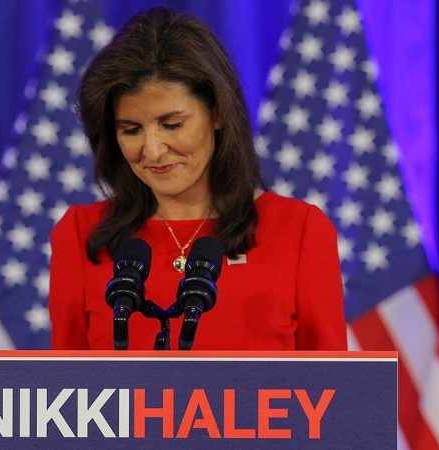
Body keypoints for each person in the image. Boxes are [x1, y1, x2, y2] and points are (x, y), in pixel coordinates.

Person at [49, 7, 346, 350]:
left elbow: (332, 382)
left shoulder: (299, 230)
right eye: (131, 130)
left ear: (218, 113)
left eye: (172, 125)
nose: (153, 151)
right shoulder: (80, 234)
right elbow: (65, 381)